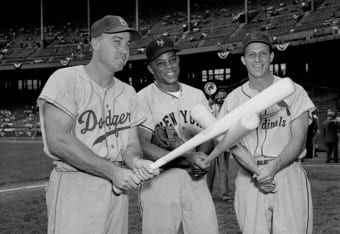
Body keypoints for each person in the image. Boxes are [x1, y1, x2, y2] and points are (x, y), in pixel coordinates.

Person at [37, 15, 159, 234]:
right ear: (95, 43)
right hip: (76, 186)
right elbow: (58, 140)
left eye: (128, 44)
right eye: (117, 41)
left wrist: (135, 161)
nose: (124, 50)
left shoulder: (128, 92)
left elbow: (131, 144)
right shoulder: (66, 79)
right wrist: (113, 171)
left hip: (116, 191)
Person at [219, 31, 314, 234]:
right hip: (249, 175)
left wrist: (272, 168)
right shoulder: (233, 100)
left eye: (263, 53)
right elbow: (232, 144)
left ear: (271, 56)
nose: (258, 59)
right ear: (244, 60)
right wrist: (257, 170)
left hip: (287, 172)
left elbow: (299, 140)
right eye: (251, 54)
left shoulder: (293, 90)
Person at [137, 36, 219, 234]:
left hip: (195, 178)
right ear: (150, 69)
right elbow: (142, 146)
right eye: (160, 63)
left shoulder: (196, 94)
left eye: (172, 59)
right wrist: (188, 157)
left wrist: (202, 158)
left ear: (178, 60)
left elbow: (207, 135)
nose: (169, 67)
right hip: (160, 181)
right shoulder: (142, 98)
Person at [206, 89, 233, 202]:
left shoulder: (228, 108)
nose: (220, 99)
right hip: (210, 139)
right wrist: (210, 100)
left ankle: (225, 194)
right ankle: (207, 194)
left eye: (223, 97)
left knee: (223, 168)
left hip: (222, 138)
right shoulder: (210, 105)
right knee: (209, 169)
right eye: (219, 97)